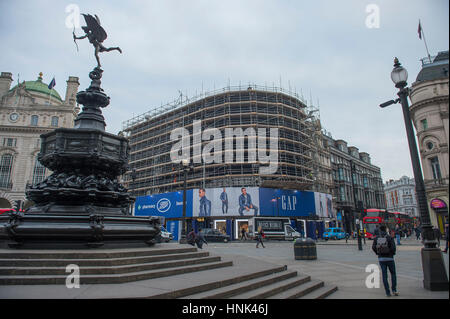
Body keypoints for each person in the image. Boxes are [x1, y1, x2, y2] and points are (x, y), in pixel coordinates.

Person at [372, 225, 398, 297]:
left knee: (384, 275)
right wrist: (391, 254)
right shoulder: (389, 238)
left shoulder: (377, 238)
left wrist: (378, 253)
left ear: (380, 230)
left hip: (381, 259)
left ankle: (387, 292)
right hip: (390, 258)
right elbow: (393, 248)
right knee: (393, 274)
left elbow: (373, 247)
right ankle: (394, 290)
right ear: (386, 230)